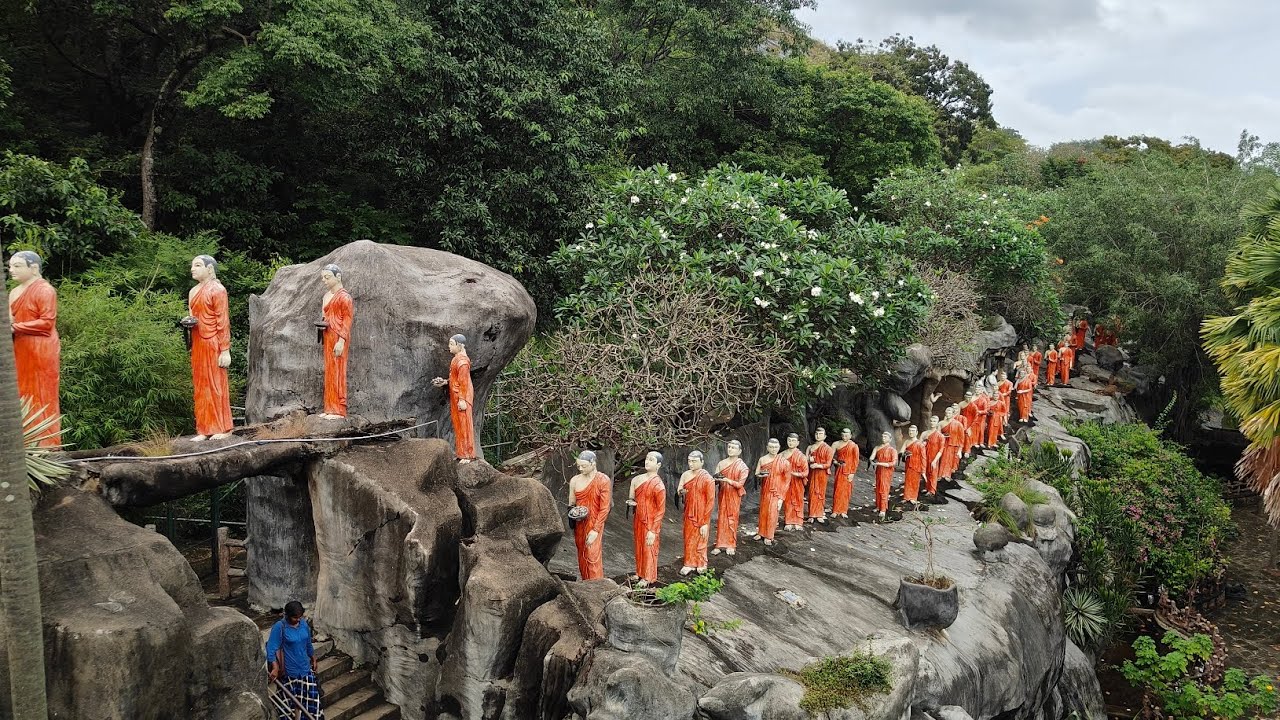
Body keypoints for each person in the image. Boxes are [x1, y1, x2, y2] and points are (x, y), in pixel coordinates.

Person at [8, 251, 61, 447]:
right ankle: (25, 442)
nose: (11, 270)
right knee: (21, 391)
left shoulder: (44, 290)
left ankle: (47, 444)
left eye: (17, 266)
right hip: (20, 346)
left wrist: (15, 327)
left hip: (41, 348)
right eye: (10, 266)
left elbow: (47, 323)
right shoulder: (14, 292)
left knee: (42, 393)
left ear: (34, 268)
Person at [186, 255, 234, 441]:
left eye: (198, 265)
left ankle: (222, 427)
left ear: (209, 269)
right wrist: (189, 324)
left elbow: (223, 321)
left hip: (213, 342)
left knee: (215, 384)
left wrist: (225, 349)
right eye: (192, 265)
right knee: (201, 386)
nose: (193, 269)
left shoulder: (217, 290)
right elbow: (193, 316)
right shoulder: (193, 291)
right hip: (198, 341)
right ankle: (204, 429)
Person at [265, 601, 321, 720]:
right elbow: (271, 648)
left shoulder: (303, 624)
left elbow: (308, 643)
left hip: (305, 670)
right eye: (295, 617)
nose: (298, 619)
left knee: (312, 705)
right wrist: (275, 667)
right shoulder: (280, 627)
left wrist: (313, 658)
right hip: (290, 673)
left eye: (300, 617)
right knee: (291, 707)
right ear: (287, 615)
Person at [431, 334, 476, 462]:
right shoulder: (456, 359)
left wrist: (462, 400)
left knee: (464, 425)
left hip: (462, 397)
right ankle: (461, 453)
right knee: (458, 425)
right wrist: (445, 382)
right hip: (456, 395)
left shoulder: (463, 362)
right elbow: (455, 379)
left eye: (451, 344)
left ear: (459, 345)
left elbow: (464, 382)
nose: (449, 346)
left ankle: (468, 454)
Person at [568, 451, 611, 580]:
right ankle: (586, 583)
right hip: (580, 521)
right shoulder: (575, 480)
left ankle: (597, 585)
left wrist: (596, 530)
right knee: (582, 553)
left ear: (593, 464)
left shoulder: (603, 480)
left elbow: (604, 508)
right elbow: (572, 503)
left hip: (595, 521)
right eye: (578, 466)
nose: (581, 469)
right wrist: (573, 514)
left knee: (592, 554)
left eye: (584, 466)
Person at [319, 264, 353, 418]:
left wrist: (341, 341)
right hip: (328, 335)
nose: (324, 281)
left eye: (327, 277)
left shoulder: (345, 297)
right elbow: (325, 315)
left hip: (339, 336)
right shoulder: (326, 296)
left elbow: (347, 320)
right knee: (329, 371)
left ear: (338, 277)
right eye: (323, 278)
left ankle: (338, 409)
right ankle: (329, 407)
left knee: (338, 370)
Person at [627, 451, 665, 585]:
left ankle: (648, 576)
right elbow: (632, 497)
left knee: (649, 547)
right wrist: (631, 502)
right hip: (639, 518)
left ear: (658, 465)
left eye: (651, 460)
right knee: (639, 546)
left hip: (651, 521)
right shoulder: (637, 479)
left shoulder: (658, 485)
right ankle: (640, 572)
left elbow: (661, 510)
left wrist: (653, 530)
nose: (647, 461)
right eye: (647, 459)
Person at [678, 451, 715, 575]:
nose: (691, 464)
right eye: (689, 461)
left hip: (702, 513)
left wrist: (705, 522)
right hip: (689, 511)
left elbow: (710, 501)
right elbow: (679, 490)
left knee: (701, 537)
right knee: (689, 537)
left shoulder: (707, 479)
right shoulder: (685, 475)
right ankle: (689, 562)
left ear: (702, 462)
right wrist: (681, 492)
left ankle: (701, 562)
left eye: (694, 461)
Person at [712, 440, 749, 556]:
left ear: (739, 451)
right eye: (729, 447)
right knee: (722, 519)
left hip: (733, 496)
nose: (730, 449)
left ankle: (731, 544)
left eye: (733, 448)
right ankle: (719, 544)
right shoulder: (721, 463)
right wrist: (716, 479)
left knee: (731, 519)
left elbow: (740, 484)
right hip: (723, 494)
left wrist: (727, 480)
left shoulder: (742, 467)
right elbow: (715, 479)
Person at [753, 438, 784, 545]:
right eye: (771, 447)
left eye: (775, 447)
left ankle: (769, 535)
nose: (773, 449)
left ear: (779, 448)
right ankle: (761, 532)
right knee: (763, 511)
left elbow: (786, 480)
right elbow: (757, 473)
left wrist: (781, 497)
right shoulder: (762, 459)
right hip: (765, 489)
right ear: (767, 448)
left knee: (772, 513)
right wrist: (761, 475)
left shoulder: (783, 461)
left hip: (776, 490)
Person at [779, 433, 808, 531]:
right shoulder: (782, 455)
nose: (791, 443)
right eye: (789, 440)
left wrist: (794, 474)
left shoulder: (801, 456)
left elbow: (806, 472)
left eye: (793, 441)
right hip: (786, 482)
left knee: (798, 501)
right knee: (788, 501)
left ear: (798, 443)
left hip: (797, 483)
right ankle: (788, 521)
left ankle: (798, 521)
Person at [806, 427, 834, 523]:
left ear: (825, 436)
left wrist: (818, 465)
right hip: (812, 472)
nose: (818, 436)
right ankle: (811, 514)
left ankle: (819, 514)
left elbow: (828, 464)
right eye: (817, 434)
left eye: (820, 434)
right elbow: (805, 460)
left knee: (820, 493)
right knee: (811, 492)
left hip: (822, 474)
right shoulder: (810, 447)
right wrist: (809, 460)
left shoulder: (828, 449)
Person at [830, 428, 860, 517]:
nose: (844, 437)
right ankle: (835, 510)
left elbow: (856, 460)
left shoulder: (853, 446)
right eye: (843, 435)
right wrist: (835, 462)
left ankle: (843, 510)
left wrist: (852, 473)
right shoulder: (836, 444)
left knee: (846, 491)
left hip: (849, 470)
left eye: (846, 435)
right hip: (839, 469)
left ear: (850, 436)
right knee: (837, 489)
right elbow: (830, 456)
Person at [869, 431, 898, 521]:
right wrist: (872, 461)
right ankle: (878, 506)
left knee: (884, 489)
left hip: (887, 472)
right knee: (878, 488)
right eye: (882, 436)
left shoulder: (892, 450)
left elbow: (893, 463)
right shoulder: (877, 447)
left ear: (890, 439)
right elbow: (872, 457)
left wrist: (880, 463)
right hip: (879, 471)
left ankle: (883, 509)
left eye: (885, 437)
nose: (883, 438)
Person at [900, 425, 925, 506]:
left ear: (916, 432)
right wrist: (904, 454)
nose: (911, 432)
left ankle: (913, 497)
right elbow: (901, 452)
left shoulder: (920, 444)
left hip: (917, 465)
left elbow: (923, 458)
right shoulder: (906, 442)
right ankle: (906, 497)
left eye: (913, 431)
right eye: (910, 431)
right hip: (908, 463)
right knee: (908, 480)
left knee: (915, 481)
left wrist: (923, 470)